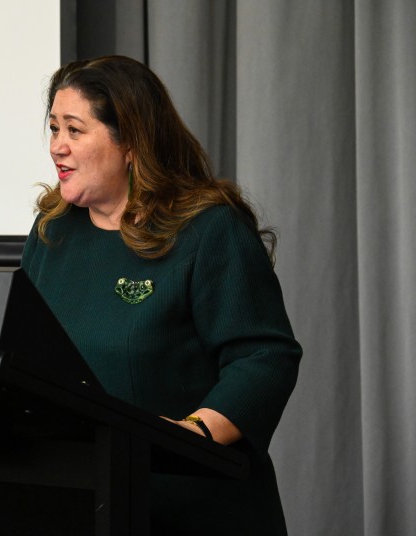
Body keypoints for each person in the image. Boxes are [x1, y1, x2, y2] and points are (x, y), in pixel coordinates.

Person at [21, 55, 302, 535]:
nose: (57, 148)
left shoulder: (208, 230)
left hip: (190, 506)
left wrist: (195, 433)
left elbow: (264, 356)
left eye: (74, 130)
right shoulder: (53, 231)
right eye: (53, 129)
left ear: (130, 140)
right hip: (83, 501)